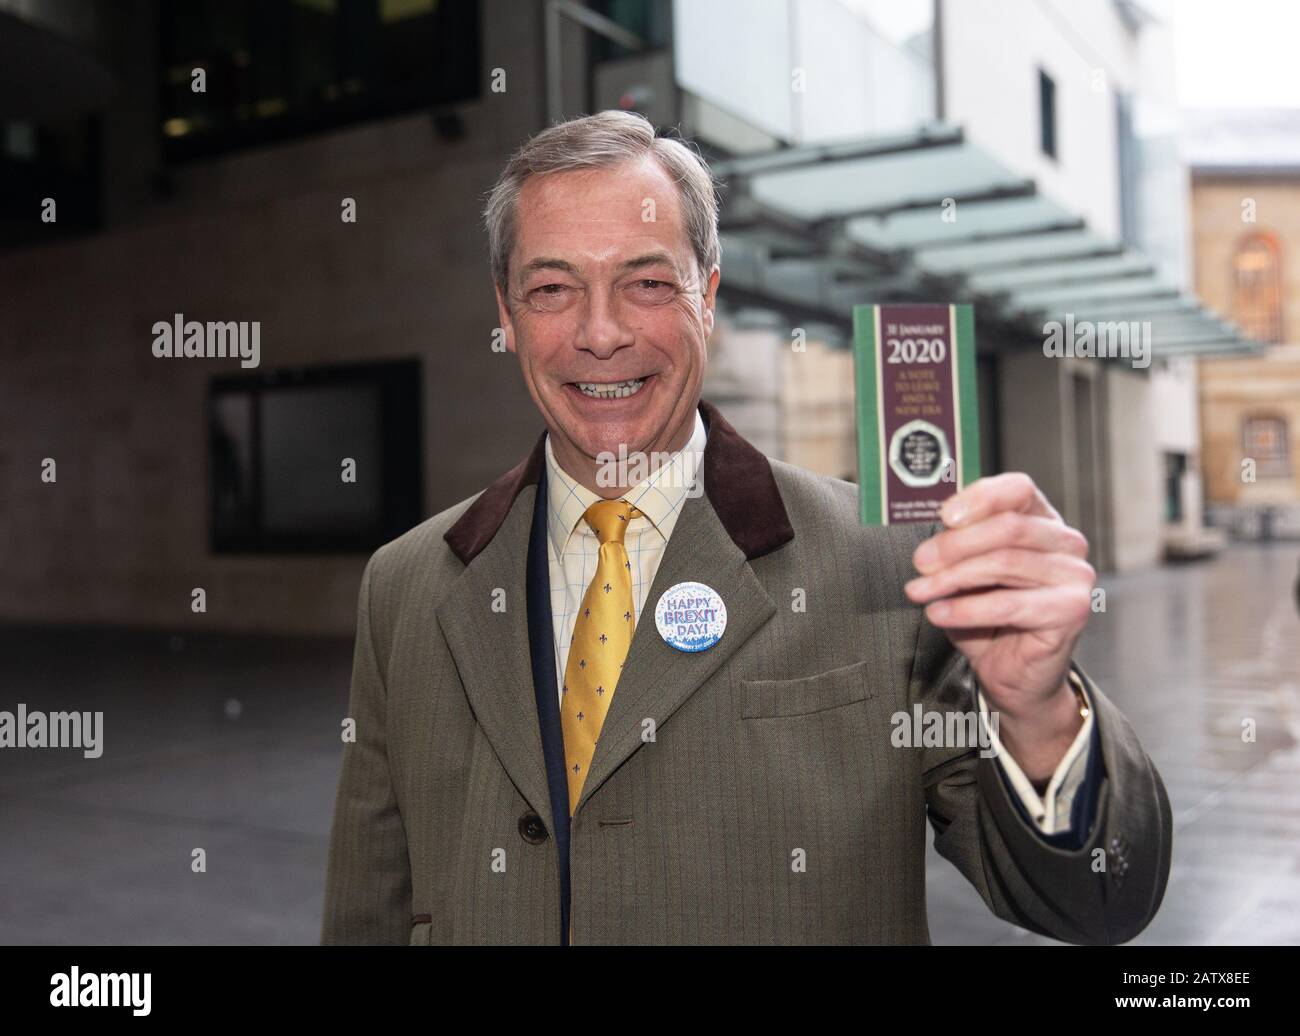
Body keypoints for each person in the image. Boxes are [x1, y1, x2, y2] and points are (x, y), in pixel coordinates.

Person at [321, 110, 1171, 945]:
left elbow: (1098, 902)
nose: (601, 333)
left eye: (648, 283)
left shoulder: (888, 568)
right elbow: (371, 909)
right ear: (505, 315)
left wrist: (1038, 714)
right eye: (552, 289)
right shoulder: (406, 584)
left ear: (709, 296)